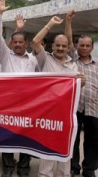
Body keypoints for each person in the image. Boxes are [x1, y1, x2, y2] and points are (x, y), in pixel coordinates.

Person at [32, 14, 85, 177]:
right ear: (52, 46)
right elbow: (35, 41)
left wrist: (81, 82)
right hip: (47, 114)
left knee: (65, 149)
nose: (60, 48)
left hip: (67, 115)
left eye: (64, 46)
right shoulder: (44, 59)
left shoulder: (73, 64)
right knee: (47, 149)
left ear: (68, 48)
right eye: (57, 45)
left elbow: (76, 88)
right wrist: (50, 24)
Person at [0, 0, 39, 177]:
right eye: (15, 42)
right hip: (8, 105)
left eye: (21, 42)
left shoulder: (33, 59)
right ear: (10, 43)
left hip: (28, 106)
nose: (18, 45)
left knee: (27, 137)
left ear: (25, 43)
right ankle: (8, 167)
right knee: (7, 136)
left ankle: (24, 168)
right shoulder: (5, 55)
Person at [64, 10, 98, 177]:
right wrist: (68, 22)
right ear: (76, 47)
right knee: (74, 140)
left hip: (94, 108)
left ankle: (89, 169)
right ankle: (73, 167)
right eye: (81, 45)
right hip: (75, 108)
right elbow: (68, 40)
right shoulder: (71, 60)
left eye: (87, 45)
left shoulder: (97, 64)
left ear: (92, 47)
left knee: (92, 141)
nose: (84, 48)